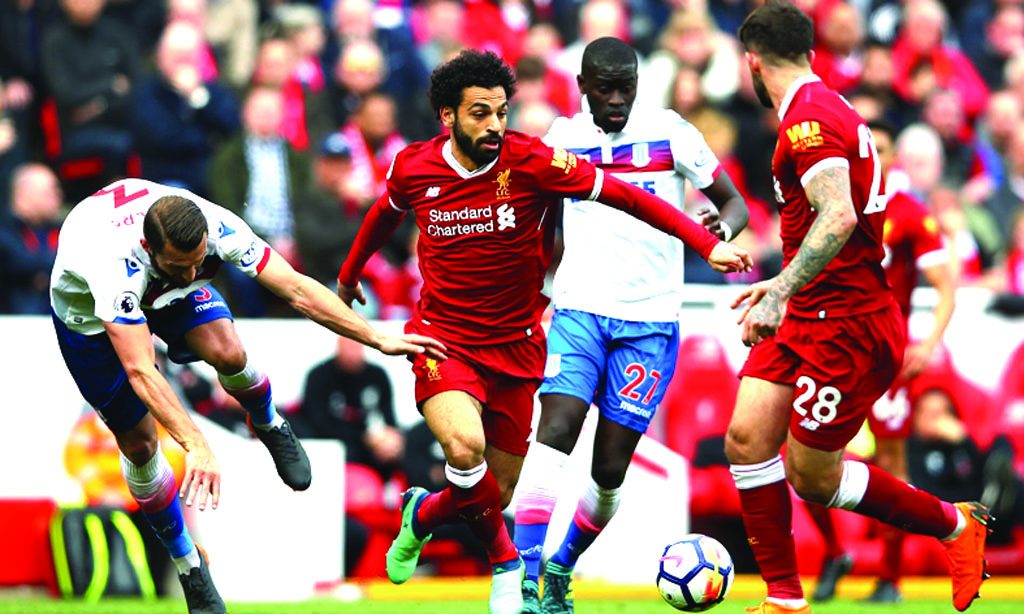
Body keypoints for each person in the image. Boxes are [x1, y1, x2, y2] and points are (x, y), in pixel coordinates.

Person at [335, 49, 751, 614]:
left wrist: (709, 243)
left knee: (503, 490)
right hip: (451, 336)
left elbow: (628, 196)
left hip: (529, 341)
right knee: (470, 446)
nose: (495, 126)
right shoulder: (416, 166)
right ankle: (516, 573)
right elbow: (385, 211)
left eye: (502, 112)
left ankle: (426, 516)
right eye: (481, 113)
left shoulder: (534, 159)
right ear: (447, 116)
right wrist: (350, 271)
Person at [49, 178, 444, 614]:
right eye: (180, 266)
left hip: (155, 287)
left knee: (228, 350)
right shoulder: (111, 262)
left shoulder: (215, 225)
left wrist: (375, 338)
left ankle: (271, 421)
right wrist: (196, 444)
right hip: (88, 320)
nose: (190, 275)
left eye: (197, 263)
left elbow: (294, 287)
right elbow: (141, 369)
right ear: (148, 245)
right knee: (141, 444)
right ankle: (189, 565)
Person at [725, 4, 989, 614]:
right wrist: (782, 287)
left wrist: (782, 288)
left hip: (846, 325)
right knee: (745, 439)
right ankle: (785, 598)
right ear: (812, 55)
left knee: (812, 475)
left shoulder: (808, 123)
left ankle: (955, 524)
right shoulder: (829, 106)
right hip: (808, 313)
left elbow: (839, 213)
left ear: (753, 64)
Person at [510, 36, 750, 614]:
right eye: (606, 88)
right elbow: (537, 217)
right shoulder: (564, 139)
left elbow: (735, 204)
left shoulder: (672, 133)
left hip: (649, 321)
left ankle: (563, 565)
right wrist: (536, 286)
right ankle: (526, 578)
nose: (617, 100)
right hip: (579, 309)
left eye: (627, 88)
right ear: (583, 86)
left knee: (610, 468)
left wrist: (719, 230)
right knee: (558, 425)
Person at [808, 120, 957, 603]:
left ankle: (890, 579)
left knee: (892, 462)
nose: (869, 155)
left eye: (881, 148)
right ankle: (834, 551)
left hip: (883, 356)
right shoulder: (831, 204)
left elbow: (946, 287)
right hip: (830, 347)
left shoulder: (910, 213)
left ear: (889, 159)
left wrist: (929, 343)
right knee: (795, 451)